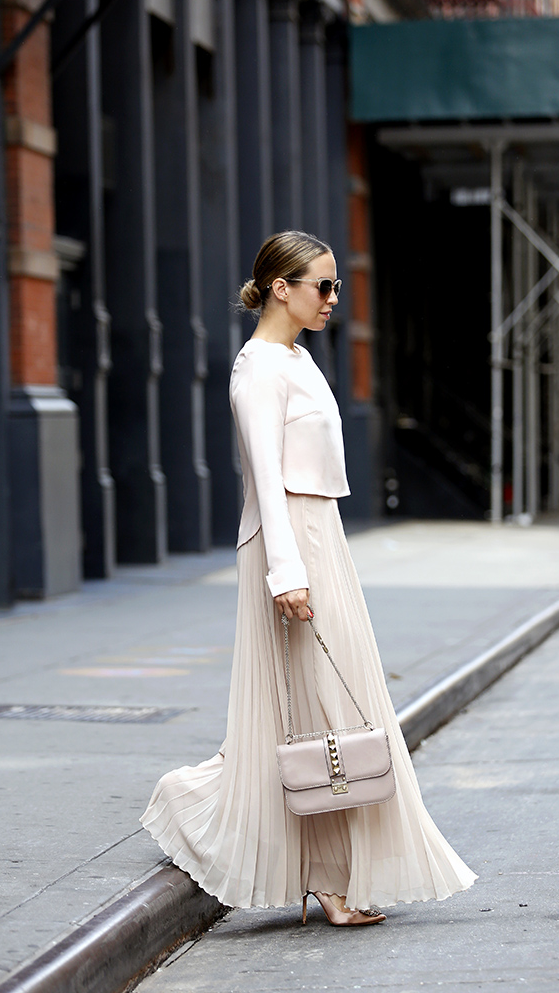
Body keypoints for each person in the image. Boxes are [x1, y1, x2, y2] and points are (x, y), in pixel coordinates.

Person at [141, 230, 476, 926]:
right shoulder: (260, 366)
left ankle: (238, 817)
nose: (333, 298)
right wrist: (286, 574)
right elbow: (264, 476)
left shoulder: (293, 357)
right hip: (291, 543)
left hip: (320, 537)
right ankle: (325, 875)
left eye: (335, 286)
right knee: (320, 707)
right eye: (322, 286)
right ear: (279, 288)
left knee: (327, 703)